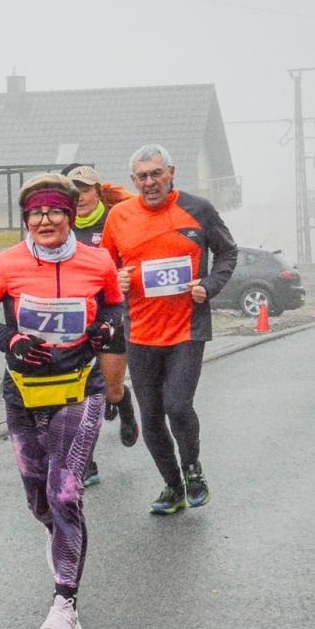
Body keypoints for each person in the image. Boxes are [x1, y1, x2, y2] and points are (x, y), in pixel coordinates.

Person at [0, 173, 125, 629]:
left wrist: (105, 334)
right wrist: (9, 340)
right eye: (36, 212)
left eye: (54, 211)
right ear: (26, 219)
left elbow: (114, 308)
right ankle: (62, 538)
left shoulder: (97, 263)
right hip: (24, 395)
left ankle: (65, 604)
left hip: (79, 390)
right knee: (40, 500)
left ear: (70, 215)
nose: (45, 219)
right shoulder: (7, 264)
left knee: (65, 494)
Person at [99, 143, 238, 515]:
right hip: (140, 333)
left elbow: (228, 253)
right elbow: (103, 269)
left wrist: (209, 285)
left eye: (156, 174)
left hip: (186, 330)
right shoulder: (119, 217)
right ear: (134, 180)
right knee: (151, 416)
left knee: (177, 404)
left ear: (171, 173)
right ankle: (172, 486)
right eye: (142, 177)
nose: (150, 182)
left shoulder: (198, 210)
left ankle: (193, 469)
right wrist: (117, 280)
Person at [65, 164, 139, 485]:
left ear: (97, 191)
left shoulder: (117, 220)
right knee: (79, 392)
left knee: (108, 388)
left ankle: (123, 404)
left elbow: (137, 259)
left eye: (85, 190)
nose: (79, 197)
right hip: (74, 318)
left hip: (112, 314)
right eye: (73, 191)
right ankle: (86, 461)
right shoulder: (59, 225)